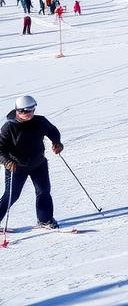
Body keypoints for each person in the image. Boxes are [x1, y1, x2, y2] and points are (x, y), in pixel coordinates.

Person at [0, 95, 64, 229]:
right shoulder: (9, 127)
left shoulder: (40, 121)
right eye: (23, 111)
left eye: (30, 110)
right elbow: (1, 149)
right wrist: (7, 161)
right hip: (16, 167)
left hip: (38, 163)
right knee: (11, 195)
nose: (26, 114)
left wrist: (56, 142)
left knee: (44, 191)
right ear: (17, 111)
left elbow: (52, 130)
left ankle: (45, 220)